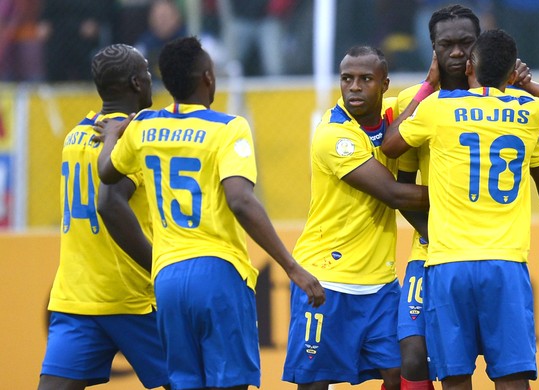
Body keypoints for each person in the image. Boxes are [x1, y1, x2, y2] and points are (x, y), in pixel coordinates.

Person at [95, 36, 325, 390]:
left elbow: (107, 173)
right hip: (217, 273)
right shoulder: (228, 128)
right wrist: (291, 266)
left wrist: (112, 133)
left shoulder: (142, 126)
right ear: (208, 78)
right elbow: (240, 200)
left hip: (167, 277)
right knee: (230, 383)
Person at [390, 5, 539, 390]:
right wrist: (429, 229)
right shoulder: (416, 101)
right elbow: (400, 181)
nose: (456, 53)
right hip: (431, 250)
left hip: (455, 258)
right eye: (445, 44)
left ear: (478, 48)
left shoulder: (499, 103)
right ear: (432, 48)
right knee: (415, 356)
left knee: (477, 372)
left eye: (466, 43)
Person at [282, 46, 429, 390]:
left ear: (385, 84)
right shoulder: (333, 134)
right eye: (347, 79)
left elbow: (436, 95)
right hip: (326, 279)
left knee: (400, 373)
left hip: (380, 284)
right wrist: (466, 199)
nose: (354, 87)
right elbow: (394, 194)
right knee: (315, 383)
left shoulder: (395, 115)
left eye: (365, 79)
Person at [38, 44, 169, 390]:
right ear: (135, 83)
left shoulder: (75, 136)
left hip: (78, 297)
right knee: (190, 383)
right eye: (145, 72)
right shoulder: (135, 138)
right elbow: (110, 204)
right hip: (134, 297)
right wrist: (160, 268)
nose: (150, 77)